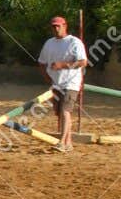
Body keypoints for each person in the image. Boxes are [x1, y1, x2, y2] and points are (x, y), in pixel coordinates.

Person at [38, 14, 88, 152]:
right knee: (60, 113)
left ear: (65, 26)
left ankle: (62, 142)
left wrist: (63, 65)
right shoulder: (49, 43)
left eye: (58, 26)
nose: (56, 29)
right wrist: (48, 79)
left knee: (65, 111)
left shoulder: (74, 42)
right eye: (53, 27)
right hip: (56, 83)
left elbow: (83, 62)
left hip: (71, 83)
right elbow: (41, 63)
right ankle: (68, 142)